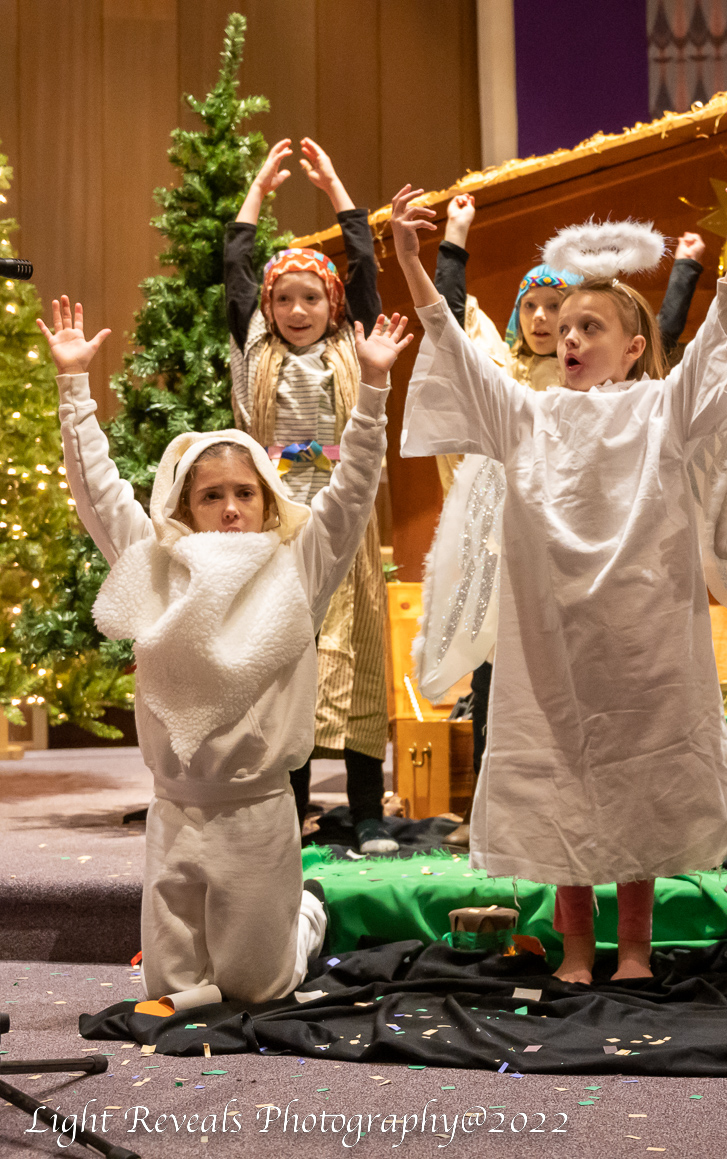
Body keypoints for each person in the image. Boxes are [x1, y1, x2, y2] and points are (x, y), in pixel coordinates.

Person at [393, 156, 727, 984]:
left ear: (634, 346)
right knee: (566, 784)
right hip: (553, 643)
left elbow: (722, 331)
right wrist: (407, 261)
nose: (571, 340)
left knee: (638, 782)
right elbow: (452, 350)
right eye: (564, 327)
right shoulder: (525, 413)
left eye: (592, 328)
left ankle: (637, 949)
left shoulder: (659, 409)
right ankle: (578, 948)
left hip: (643, 640)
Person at [42, 296, 407, 1005]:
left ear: (270, 502)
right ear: (183, 506)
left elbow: (353, 487)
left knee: (258, 987)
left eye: (246, 492)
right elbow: (98, 494)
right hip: (176, 809)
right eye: (212, 495)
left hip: (258, 810)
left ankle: (308, 911)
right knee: (172, 986)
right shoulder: (154, 562)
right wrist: (73, 386)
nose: (232, 507)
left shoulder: (297, 565)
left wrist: (376, 387)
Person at [424, 197, 712, 778]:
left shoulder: (622, 387)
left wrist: (685, 270)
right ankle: (501, 787)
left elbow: (658, 338)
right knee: (502, 663)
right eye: (532, 309)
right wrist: (450, 240)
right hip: (520, 542)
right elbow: (450, 332)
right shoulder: (507, 379)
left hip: (603, 555)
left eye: (555, 310)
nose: (545, 323)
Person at [226, 137, 394, 853]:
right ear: (269, 308)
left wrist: (336, 190)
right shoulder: (257, 351)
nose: (298, 309)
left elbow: (366, 269)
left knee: (358, 657)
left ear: (333, 306)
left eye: (312, 297)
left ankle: (367, 812)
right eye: (284, 298)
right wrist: (260, 187)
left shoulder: (349, 347)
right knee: (283, 656)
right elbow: (234, 264)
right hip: (276, 524)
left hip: (343, 515)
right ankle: (289, 809)